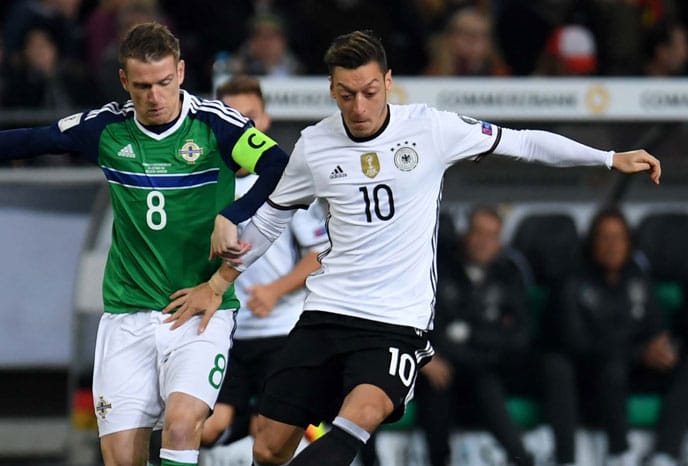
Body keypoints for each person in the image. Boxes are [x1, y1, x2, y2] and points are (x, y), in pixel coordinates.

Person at [163, 29, 661, 466]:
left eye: (369, 92)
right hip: (325, 312)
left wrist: (608, 157)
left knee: (360, 415)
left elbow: (524, 143)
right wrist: (218, 282)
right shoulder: (315, 146)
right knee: (268, 448)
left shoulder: (431, 129)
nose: (358, 107)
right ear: (331, 90)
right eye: (346, 95)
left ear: (389, 82)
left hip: (396, 320)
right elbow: (272, 217)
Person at [0, 22, 288, 466]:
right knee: (121, 458)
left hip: (198, 312)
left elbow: (277, 165)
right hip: (127, 316)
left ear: (182, 72)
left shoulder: (216, 125)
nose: (155, 97)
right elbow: (33, 138)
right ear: (123, 81)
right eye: (142, 86)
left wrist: (231, 213)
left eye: (164, 83)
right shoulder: (105, 129)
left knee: (181, 426)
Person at [200, 75, 329, 448]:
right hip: (224, 333)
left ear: (265, 121)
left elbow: (320, 253)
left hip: (281, 332)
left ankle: (335, 450)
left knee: (278, 435)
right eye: (232, 117)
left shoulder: (287, 182)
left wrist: (274, 289)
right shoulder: (204, 184)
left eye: (250, 118)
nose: (242, 128)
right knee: (207, 429)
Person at [540, 207, 684, 466]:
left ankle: (665, 455)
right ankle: (619, 454)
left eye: (618, 238)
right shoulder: (573, 281)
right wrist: (638, 351)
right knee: (611, 368)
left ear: (629, 243)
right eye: (604, 238)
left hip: (636, 368)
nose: (612, 246)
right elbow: (577, 343)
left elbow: (656, 329)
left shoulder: (637, 277)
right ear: (592, 242)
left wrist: (660, 349)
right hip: (593, 375)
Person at [415, 206, 534, 466]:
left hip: (490, 370)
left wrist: (469, 334)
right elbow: (433, 330)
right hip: (445, 371)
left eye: (491, 235)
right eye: (478, 232)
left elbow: (518, 338)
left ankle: (521, 459)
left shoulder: (509, 275)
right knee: (438, 383)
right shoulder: (440, 270)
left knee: (484, 378)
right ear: (465, 234)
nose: (483, 242)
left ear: (500, 241)